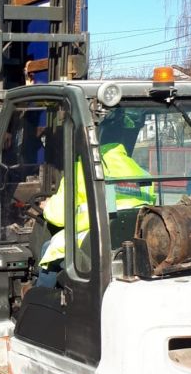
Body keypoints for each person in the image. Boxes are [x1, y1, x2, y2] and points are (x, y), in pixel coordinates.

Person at [36, 115, 155, 287]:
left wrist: (47, 206)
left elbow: (58, 217)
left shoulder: (81, 170)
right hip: (134, 243)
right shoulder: (142, 173)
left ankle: (41, 299)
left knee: (49, 249)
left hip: (93, 243)